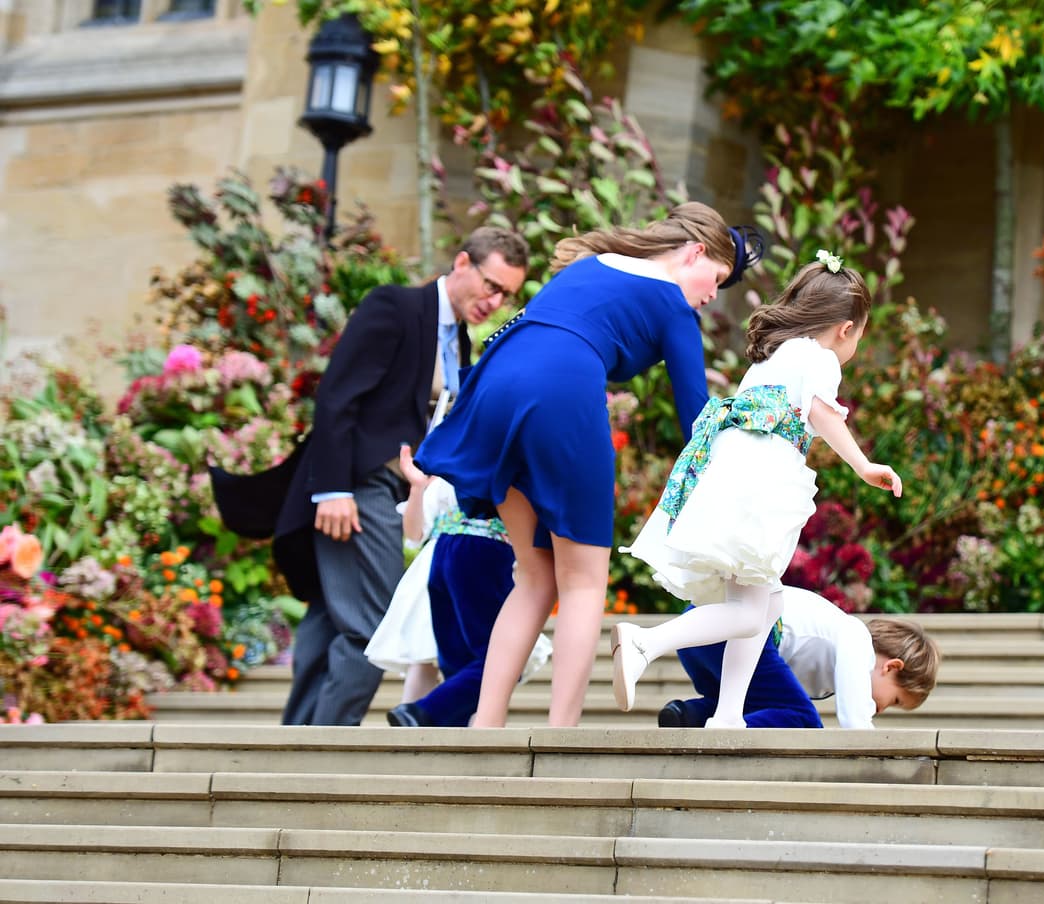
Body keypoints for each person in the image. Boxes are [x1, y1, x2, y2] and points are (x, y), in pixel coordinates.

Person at [415, 202, 764, 727]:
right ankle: (561, 733)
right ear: (695, 252)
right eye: (716, 278)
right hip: (562, 392)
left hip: (494, 383)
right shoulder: (673, 304)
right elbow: (698, 418)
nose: (713, 294)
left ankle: (484, 725)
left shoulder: (590, 265)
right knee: (583, 581)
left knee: (534, 576)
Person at [213, 226, 530, 726]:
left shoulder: (461, 344)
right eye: (491, 285)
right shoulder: (396, 307)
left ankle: (297, 743)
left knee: (328, 618)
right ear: (462, 263)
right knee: (372, 622)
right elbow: (338, 395)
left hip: (396, 490)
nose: (495, 301)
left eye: (506, 295)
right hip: (357, 485)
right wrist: (333, 489)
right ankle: (330, 747)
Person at [613, 252, 903, 728]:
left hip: (732, 473)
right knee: (748, 613)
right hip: (762, 483)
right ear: (846, 329)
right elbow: (822, 412)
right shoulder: (819, 358)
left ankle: (728, 713)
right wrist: (864, 464)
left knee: (767, 605)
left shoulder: (778, 355)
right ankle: (645, 643)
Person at [374, 445, 550, 727]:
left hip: (444, 555)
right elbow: (414, 534)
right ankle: (423, 711)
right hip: (482, 550)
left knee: (459, 661)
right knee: (504, 658)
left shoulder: (455, 461)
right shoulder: (506, 452)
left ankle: (435, 723)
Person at [657, 586, 939, 729]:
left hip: (699, 629)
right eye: (895, 700)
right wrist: (874, 751)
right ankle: (722, 736)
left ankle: (687, 716)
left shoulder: (835, 663)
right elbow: (855, 721)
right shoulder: (856, 636)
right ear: (891, 667)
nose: (883, 709)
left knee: (758, 707)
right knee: (803, 720)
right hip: (735, 631)